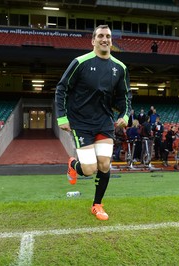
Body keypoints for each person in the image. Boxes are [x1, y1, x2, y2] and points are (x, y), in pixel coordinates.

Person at [55, 25, 132, 221]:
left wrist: (124, 114)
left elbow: (125, 95)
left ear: (111, 41)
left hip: (104, 122)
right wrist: (62, 117)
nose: (104, 39)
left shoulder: (120, 68)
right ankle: (74, 164)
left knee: (105, 164)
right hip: (81, 122)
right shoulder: (80, 62)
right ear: (93, 41)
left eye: (107, 36)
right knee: (89, 170)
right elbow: (62, 88)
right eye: (100, 36)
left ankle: (97, 205)